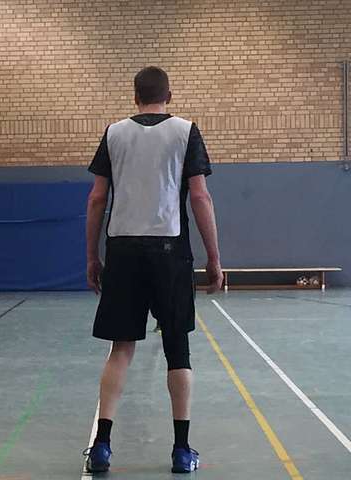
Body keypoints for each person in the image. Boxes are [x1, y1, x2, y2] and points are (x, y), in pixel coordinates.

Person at [83, 66, 223, 473]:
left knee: (120, 349)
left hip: (123, 251)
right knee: (177, 349)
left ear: (135, 96)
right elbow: (200, 197)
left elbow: (96, 199)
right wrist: (214, 258)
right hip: (169, 251)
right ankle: (182, 451)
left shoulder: (114, 134)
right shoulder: (186, 131)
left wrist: (92, 256)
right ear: (170, 95)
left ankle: (102, 446)